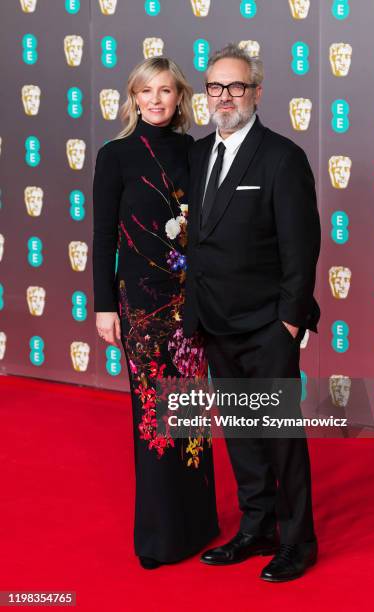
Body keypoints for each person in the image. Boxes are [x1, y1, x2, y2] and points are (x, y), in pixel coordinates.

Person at [183, 44, 321, 582]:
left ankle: (299, 539)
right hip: (214, 322)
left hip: (267, 325)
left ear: (256, 93)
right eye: (216, 87)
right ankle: (257, 526)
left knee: (281, 436)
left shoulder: (282, 157)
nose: (224, 97)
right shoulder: (197, 155)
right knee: (241, 433)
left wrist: (288, 323)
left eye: (236, 87)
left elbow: (301, 248)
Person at [92, 57, 219, 570]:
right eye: (147, 92)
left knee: (188, 408)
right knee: (154, 417)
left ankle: (199, 524)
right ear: (134, 98)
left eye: (166, 91)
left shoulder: (195, 151)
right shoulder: (116, 155)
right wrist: (104, 305)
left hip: (190, 298)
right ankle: (160, 536)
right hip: (141, 305)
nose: (156, 100)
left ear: (180, 97)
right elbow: (103, 237)